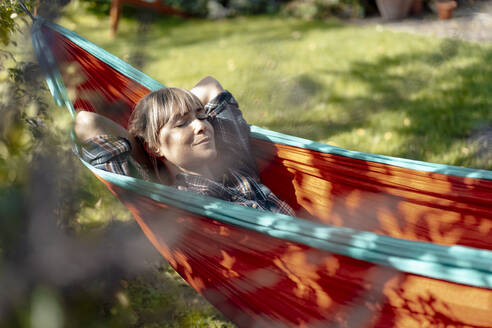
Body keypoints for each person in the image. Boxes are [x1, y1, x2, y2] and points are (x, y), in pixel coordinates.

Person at [75, 76, 295, 216]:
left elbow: (209, 85)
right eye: (181, 124)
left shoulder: (236, 163)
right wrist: (145, 146)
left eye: (202, 116)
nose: (201, 126)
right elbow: (86, 123)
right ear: (154, 148)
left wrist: (178, 107)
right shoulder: (173, 208)